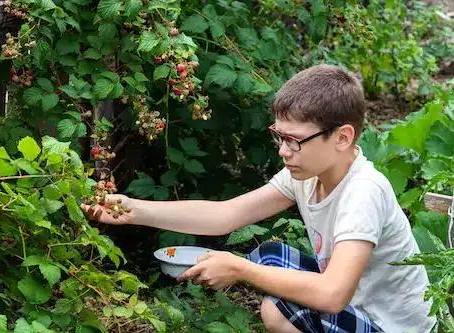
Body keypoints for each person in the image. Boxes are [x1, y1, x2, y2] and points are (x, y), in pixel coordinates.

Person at [81, 64, 436, 333]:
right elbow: (226, 215)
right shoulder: (307, 173)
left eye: (294, 140)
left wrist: (239, 270)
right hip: (356, 305)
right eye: (278, 137)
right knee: (270, 255)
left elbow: (331, 295)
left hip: (390, 326)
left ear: (342, 137)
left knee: (275, 305)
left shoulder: (363, 192)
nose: (283, 151)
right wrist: (133, 209)